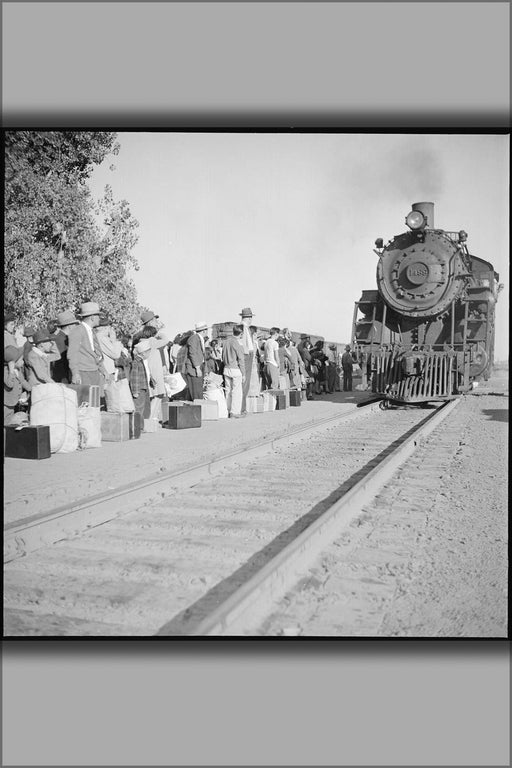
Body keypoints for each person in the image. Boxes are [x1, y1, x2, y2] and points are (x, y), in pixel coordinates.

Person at [67, 301, 108, 394]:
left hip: (94, 372)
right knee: (84, 403)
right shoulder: (77, 331)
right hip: (83, 372)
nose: (99, 319)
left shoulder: (92, 332)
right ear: (92, 317)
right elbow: (72, 354)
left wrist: (103, 370)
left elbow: (96, 353)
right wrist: (75, 373)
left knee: (94, 402)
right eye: (98, 316)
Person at [222, 324, 246, 418]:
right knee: (237, 392)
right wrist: (243, 374)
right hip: (235, 369)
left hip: (226, 368)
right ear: (241, 333)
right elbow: (241, 360)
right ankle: (234, 412)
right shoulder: (238, 343)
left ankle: (227, 410)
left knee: (228, 390)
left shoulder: (226, 342)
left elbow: (223, 357)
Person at [53, 310, 80, 383]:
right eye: (74, 324)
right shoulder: (60, 339)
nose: (76, 327)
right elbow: (59, 361)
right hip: (62, 377)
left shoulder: (63, 337)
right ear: (69, 326)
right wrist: (63, 377)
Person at [129, 338, 153, 422]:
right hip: (139, 389)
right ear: (143, 353)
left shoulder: (142, 361)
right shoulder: (136, 362)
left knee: (144, 407)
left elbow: (146, 374)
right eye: (149, 352)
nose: (150, 354)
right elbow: (134, 377)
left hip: (144, 387)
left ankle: (141, 426)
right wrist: (135, 391)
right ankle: (136, 426)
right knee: (138, 408)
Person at [4, 345, 28, 425]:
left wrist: (31, 389)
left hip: (13, 401)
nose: (23, 362)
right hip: (6, 402)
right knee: (5, 420)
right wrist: (11, 371)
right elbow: (10, 384)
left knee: (10, 419)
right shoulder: (6, 371)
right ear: (12, 363)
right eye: (21, 360)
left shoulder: (17, 370)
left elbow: (23, 381)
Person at [184, 322, 208, 400]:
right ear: (204, 331)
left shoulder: (198, 339)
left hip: (198, 366)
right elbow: (193, 353)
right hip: (194, 368)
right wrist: (197, 368)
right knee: (196, 392)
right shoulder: (194, 338)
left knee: (198, 390)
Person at [96, 314, 123, 381]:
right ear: (106, 327)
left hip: (105, 371)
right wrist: (114, 340)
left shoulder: (98, 337)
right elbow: (116, 354)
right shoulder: (102, 338)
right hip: (107, 373)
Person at [239, 307, 255, 415]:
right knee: (244, 383)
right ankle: (242, 408)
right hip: (246, 356)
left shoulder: (245, 328)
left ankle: (242, 407)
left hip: (248, 355)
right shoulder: (243, 328)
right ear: (248, 318)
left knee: (245, 383)